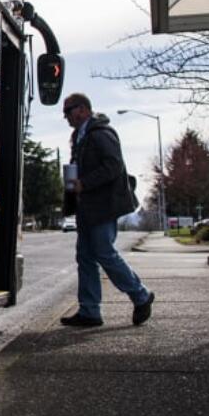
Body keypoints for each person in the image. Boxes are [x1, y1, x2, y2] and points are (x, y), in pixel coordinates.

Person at [59, 92, 155, 328]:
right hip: (86, 207)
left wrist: (85, 183)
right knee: (85, 257)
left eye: (68, 111)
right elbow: (79, 168)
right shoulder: (79, 136)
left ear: (82, 109)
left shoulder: (101, 133)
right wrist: (72, 185)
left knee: (104, 252)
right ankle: (90, 311)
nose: (66, 117)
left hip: (102, 206)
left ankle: (141, 295)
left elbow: (114, 166)